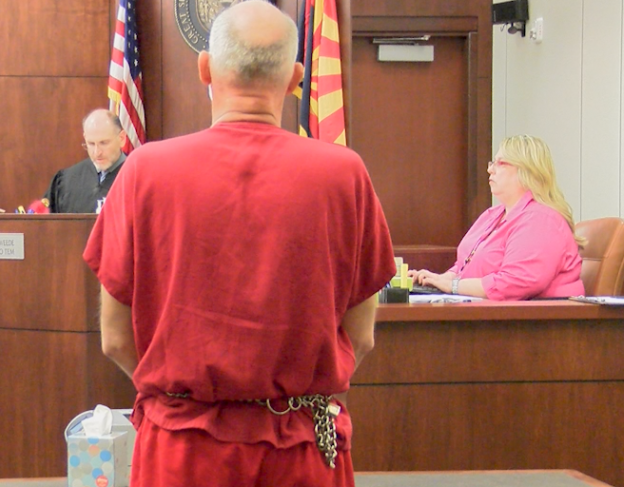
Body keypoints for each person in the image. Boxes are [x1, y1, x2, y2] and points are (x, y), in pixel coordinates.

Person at [82, 1, 395, 485]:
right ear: (295, 79)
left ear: (204, 69)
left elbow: (115, 339)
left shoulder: (144, 172)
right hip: (300, 448)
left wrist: (179, 394)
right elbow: (362, 336)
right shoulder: (343, 175)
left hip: (180, 448)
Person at [409, 135, 584, 300]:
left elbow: (515, 283)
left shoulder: (541, 220)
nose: (490, 169)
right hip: (486, 311)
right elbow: (466, 265)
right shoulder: (492, 215)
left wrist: (453, 285)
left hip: (537, 317)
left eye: (501, 163)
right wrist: (437, 280)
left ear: (527, 171)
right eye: (492, 162)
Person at [43, 109, 127, 213]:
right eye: (91, 144)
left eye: (104, 143)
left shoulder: (137, 178)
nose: (97, 152)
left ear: (122, 138)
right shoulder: (67, 180)